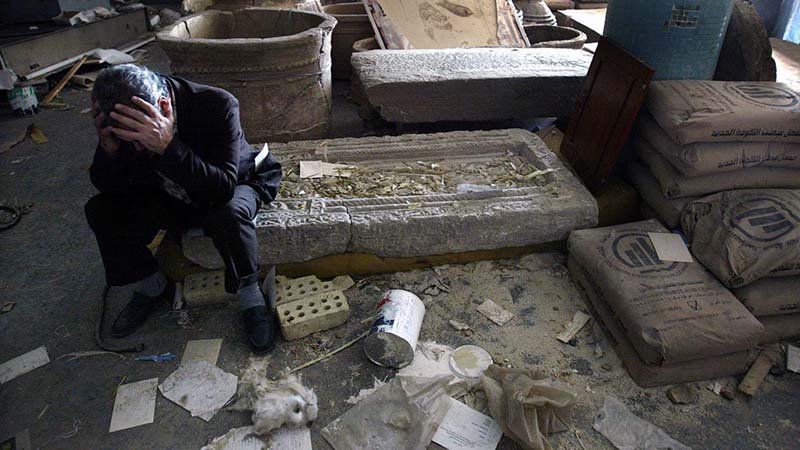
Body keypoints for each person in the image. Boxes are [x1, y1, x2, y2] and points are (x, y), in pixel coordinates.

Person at [84, 64, 282, 354]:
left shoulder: (216, 104)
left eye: (139, 140)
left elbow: (222, 187)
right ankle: (153, 283)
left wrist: (167, 146)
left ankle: (249, 291)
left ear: (163, 107)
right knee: (102, 210)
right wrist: (109, 151)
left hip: (232, 183)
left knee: (227, 213)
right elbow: (109, 187)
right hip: (168, 190)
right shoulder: (122, 116)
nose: (136, 149)